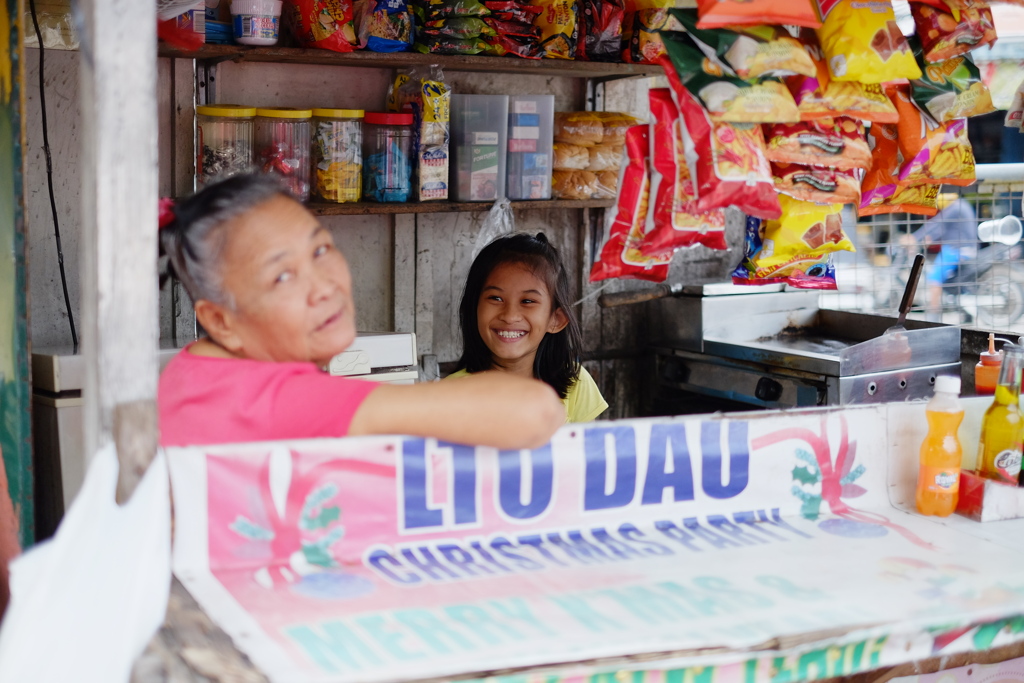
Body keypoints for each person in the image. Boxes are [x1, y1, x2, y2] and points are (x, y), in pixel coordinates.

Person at [157, 174, 564, 449]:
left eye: (320, 250)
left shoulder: (196, 373)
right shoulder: (273, 399)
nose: (324, 286)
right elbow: (537, 411)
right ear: (220, 321)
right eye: (282, 277)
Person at [448, 232, 608, 423]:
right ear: (474, 309)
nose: (509, 316)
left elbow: (588, 450)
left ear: (556, 319)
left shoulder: (575, 383)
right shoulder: (450, 396)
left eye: (528, 301)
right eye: (495, 298)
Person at [900, 194, 978, 317]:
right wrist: (926, 238)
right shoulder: (963, 205)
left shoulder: (955, 207)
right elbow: (940, 229)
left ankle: (933, 316)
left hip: (956, 249)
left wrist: (914, 238)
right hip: (966, 248)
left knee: (934, 279)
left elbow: (936, 224)